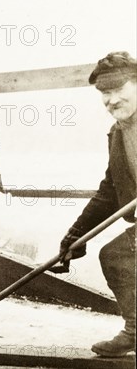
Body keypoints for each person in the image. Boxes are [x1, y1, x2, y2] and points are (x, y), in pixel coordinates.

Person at [57, 51, 136, 357]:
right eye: (105, 93)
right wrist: (77, 234)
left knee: (121, 255)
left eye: (119, 89)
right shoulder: (119, 133)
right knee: (118, 256)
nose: (111, 100)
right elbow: (111, 191)